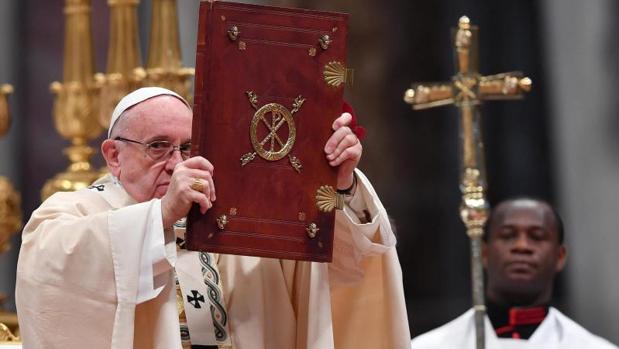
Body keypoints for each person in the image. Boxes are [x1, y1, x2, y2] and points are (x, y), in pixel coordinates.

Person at [15, 87, 411, 349]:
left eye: (188, 147)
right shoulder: (73, 213)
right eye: (158, 147)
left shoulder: (239, 217)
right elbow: (51, 272)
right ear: (114, 155)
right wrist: (162, 216)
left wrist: (338, 186)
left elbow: (335, 271)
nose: (177, 164)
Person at [410, 197, 617, 348]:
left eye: (537, 237)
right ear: (484, 252)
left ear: (560, 256)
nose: (521, 246)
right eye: (508, 236)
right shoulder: (428, 346)